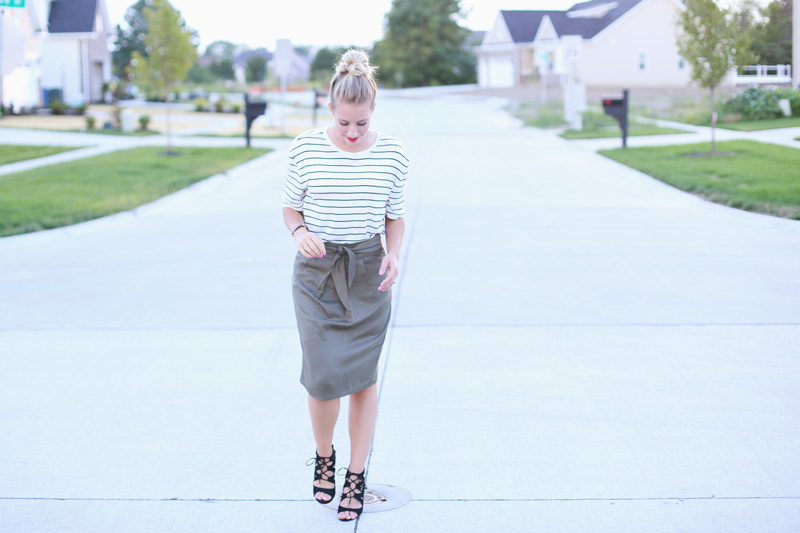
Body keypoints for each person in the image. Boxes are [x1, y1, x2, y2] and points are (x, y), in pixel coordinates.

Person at [281, 49, 409, 522]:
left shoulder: (393, 153)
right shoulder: (305, 148)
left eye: (361, 123)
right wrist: (300, 232)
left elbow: (394, 217)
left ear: (372, 109)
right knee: (322, 379)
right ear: (330, 109)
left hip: (368, 273)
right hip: (317, 275)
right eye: (344, 123)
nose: (353, 134)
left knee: (361, 380)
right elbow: (290, 208)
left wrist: (393, 254)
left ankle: (356, 474)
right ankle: (324, 456)